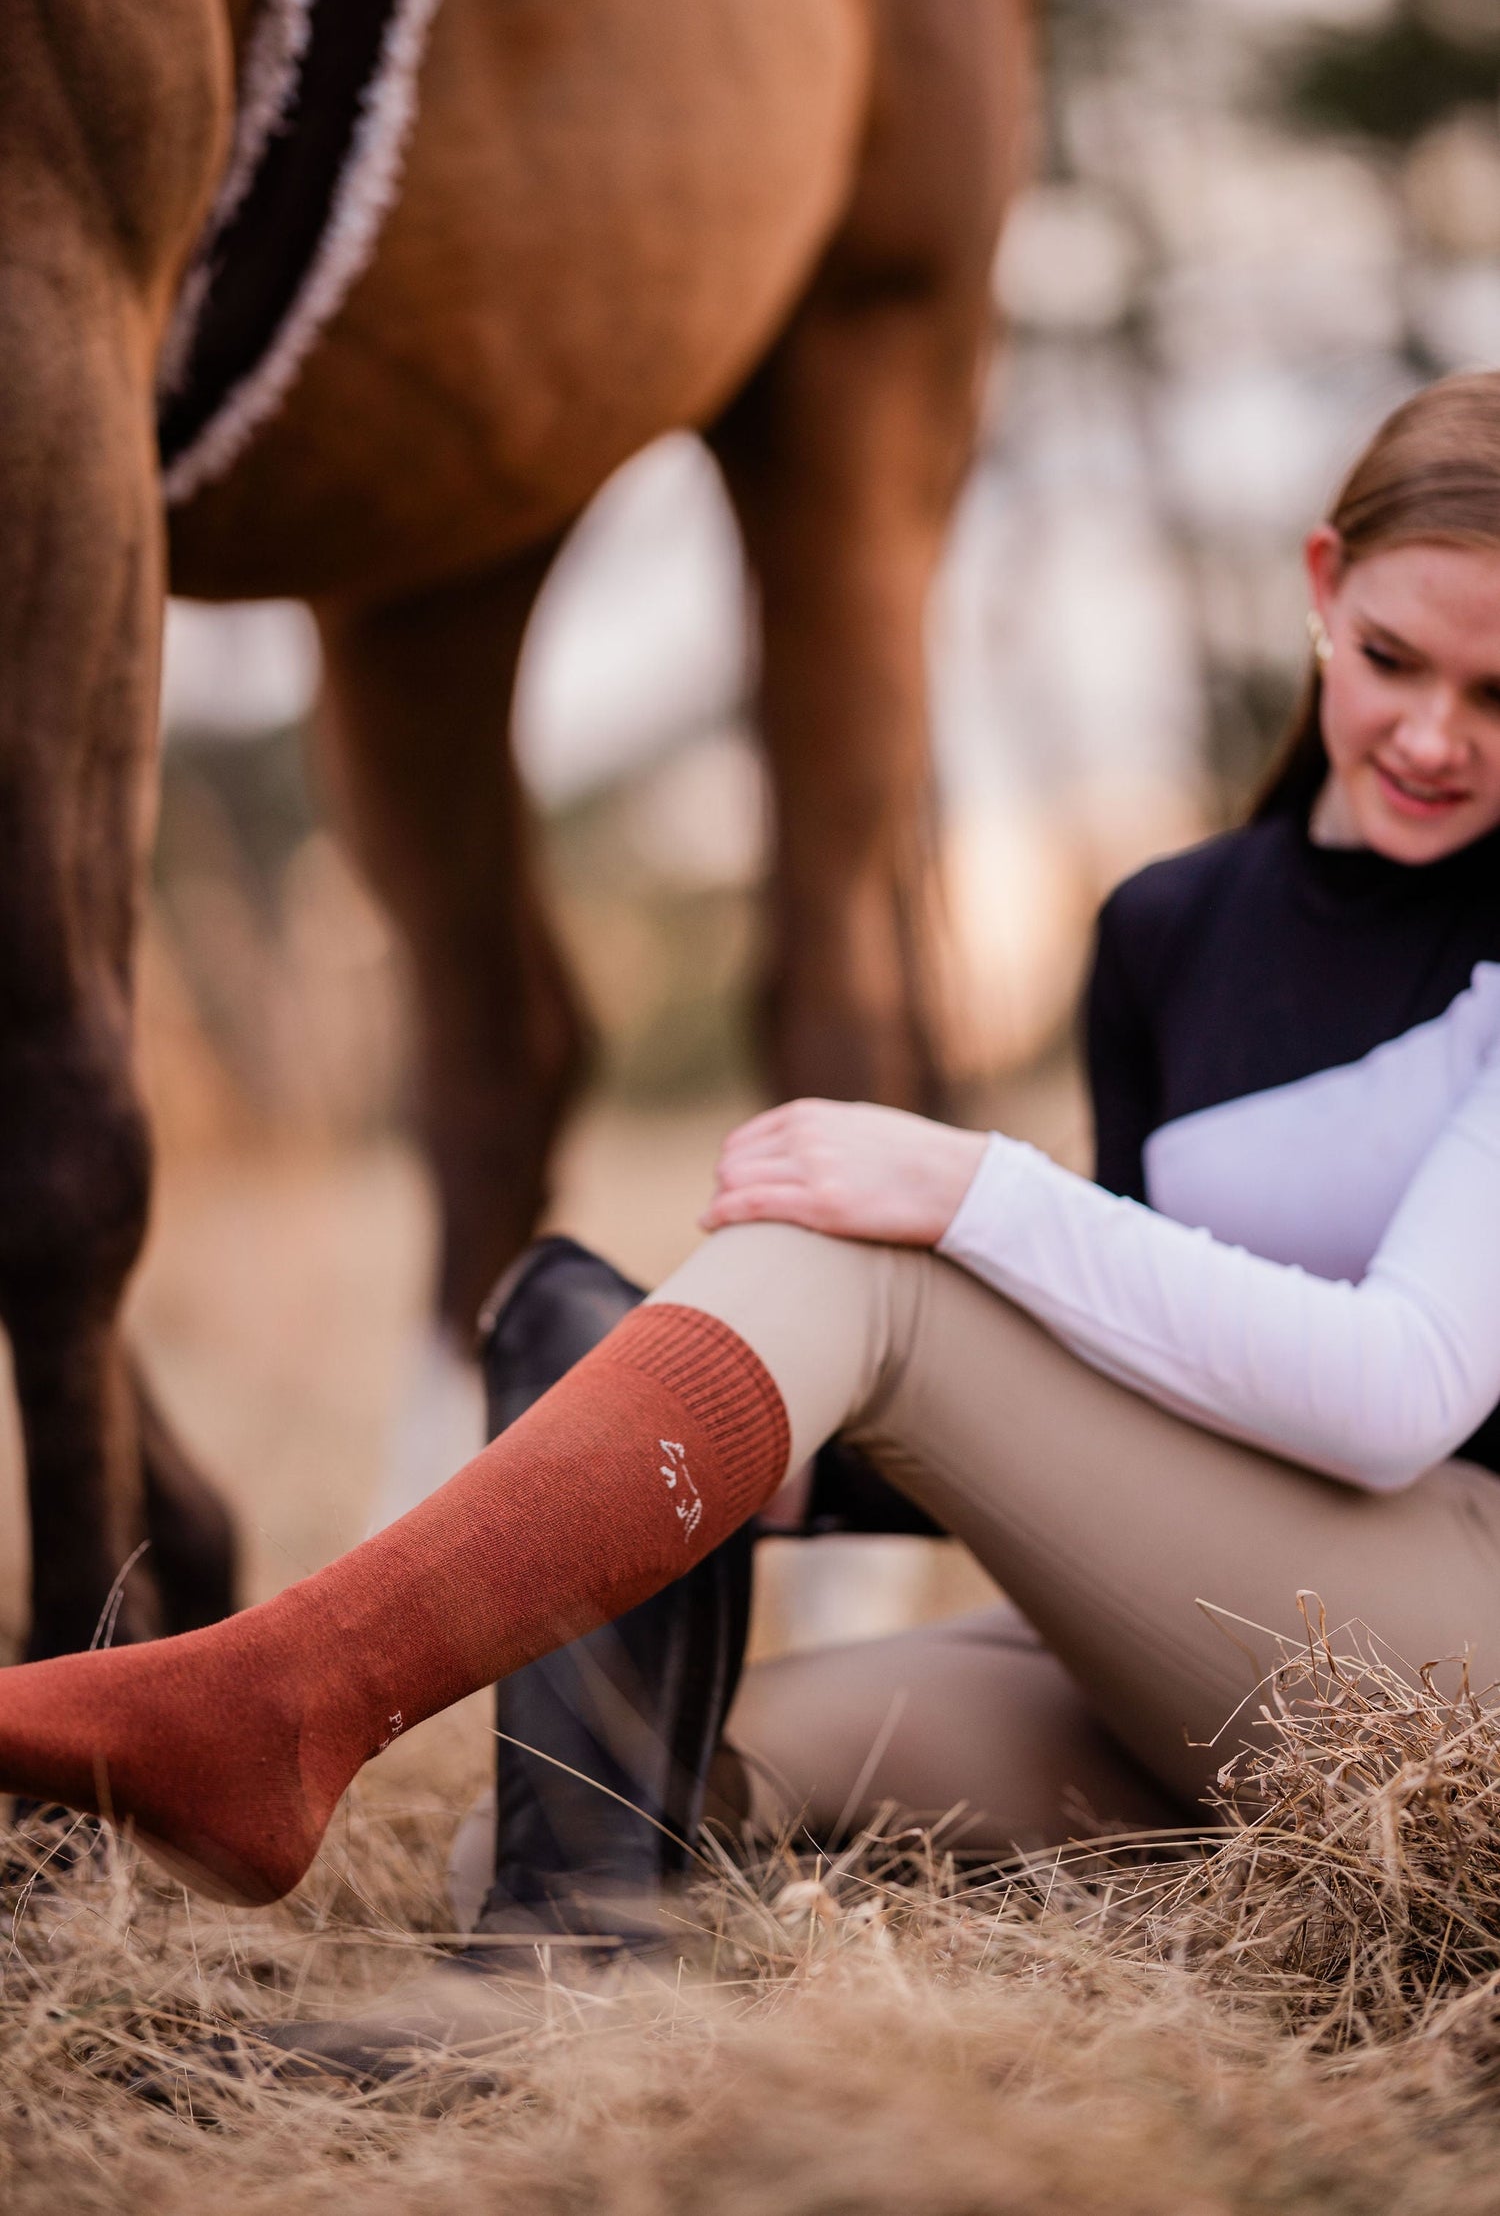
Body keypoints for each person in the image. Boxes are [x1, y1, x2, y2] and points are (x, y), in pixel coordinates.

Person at [1, 371, 1499, 1915]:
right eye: (1392, 660)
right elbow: (1131, 1379)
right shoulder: (1170, 930)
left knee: (862, 1263)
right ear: (1324, 586)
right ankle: (555, 1964)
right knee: (602, 1810)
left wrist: (974, 1187)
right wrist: (764, 1459)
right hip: (1222, 1653)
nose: (1433, 736)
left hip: (1455, 1684)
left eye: (1498, 694)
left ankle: (282, 1698)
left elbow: (1397, 1393)